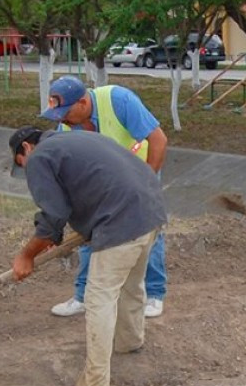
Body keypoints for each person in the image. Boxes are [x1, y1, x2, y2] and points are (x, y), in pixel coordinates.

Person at [9, 126, 167, 386]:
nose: (25, 169)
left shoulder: (39, 157)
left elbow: (53, 216)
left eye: (20, 163)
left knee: (99, 300)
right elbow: (88, 190)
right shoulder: (78, 138)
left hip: (120, 223)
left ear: (25, 149)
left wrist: (26, 255)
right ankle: (129, 342)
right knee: (130, 286)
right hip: (150, 212)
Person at [39, 76, 170, 318]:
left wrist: (147, 182)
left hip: (141, 171)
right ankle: (83, 296)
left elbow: (158, 140)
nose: (62, 120)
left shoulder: (118, 100)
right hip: (103, 184)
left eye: (66, 112)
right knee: (89, 232)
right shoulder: (65, 124)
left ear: (82, 103)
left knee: (149, 228)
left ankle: (153, 295)